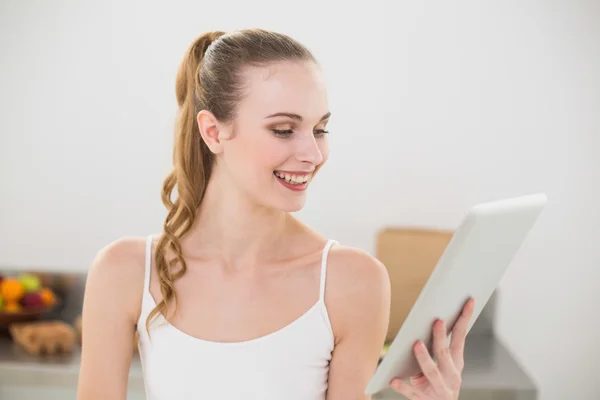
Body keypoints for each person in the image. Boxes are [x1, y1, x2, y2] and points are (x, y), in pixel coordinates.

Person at [76, 28, 475, 400]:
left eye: (320, 129)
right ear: (213, 132)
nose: (313, 154)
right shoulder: (125, 272)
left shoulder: (352, 282)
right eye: (284, 129)